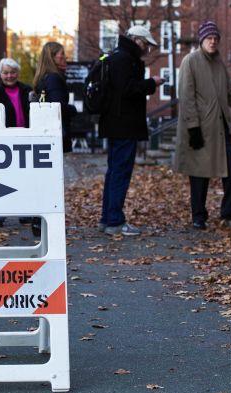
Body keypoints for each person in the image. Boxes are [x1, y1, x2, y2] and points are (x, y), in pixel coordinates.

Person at [173, 21, 231, 230]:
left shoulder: (219, 65)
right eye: (209, 38)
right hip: (198, 129)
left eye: (216, 38)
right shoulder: (190, 61)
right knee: (199, 173)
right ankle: (198, 215)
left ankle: (229, 209)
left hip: (219, 128)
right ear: (202, 40)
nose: (213, 41)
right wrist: (193, 128)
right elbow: (187, 98)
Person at [98, 26, 164, 237]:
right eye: (145, 44)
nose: (147, 49)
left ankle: (107, 218)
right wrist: (150, 83)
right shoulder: (126, 60)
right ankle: (115, 221)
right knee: (120, 172)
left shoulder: (116, 56)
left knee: (114, 171)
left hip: (116, 123)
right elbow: (128, 89)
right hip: (125, 124)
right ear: (137, 40)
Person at [0, 57, 32, 228]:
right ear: (0, 74)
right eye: (5, 72)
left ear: (17, 73)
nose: (9, 76)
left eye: (12, 72)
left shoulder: (27, 90)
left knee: (24, 178)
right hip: (3, 141)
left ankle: (25, 213)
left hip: (26, 138)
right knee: (1, 178)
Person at [33, 42, 76, 153]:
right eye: (62, 54)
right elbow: (58, 106)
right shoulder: (54, 78)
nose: (65, 57)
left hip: (46, 131)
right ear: (52, 57)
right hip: (56, 132)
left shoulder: (43, 77)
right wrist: (73, 109)